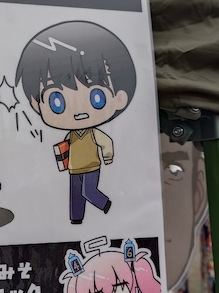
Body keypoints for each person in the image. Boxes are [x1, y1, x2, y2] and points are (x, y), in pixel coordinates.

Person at [16, 21, 136, 225]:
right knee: (75, 196)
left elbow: (105, 142)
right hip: (74, 168)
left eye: (96, 97)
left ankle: (105, 204)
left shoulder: (92, 133)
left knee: (88, 191)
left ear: (119, 97)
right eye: (57, 101)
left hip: (91, 166)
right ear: (37, 104)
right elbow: (65, 148)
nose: (79, 111)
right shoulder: (70, 135)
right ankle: (76, 219)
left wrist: (108, 156)